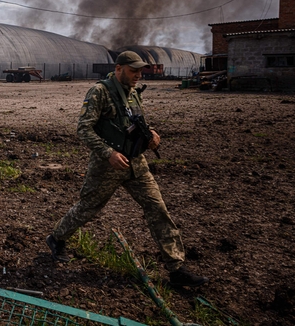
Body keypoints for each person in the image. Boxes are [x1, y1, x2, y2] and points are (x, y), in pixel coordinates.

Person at [45, 51, 208, 287]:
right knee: (88, 207)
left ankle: (176, 268)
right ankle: (57, 238)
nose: (138, 75)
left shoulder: (133, 93)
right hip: (107, 165)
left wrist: (151, 135)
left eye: (140, 71)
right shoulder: (100, 92)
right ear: (119, 68)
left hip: (136, 163)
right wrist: (108, 153)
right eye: (134, 71)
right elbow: (83, 129)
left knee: (157, 208)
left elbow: (136, 123)